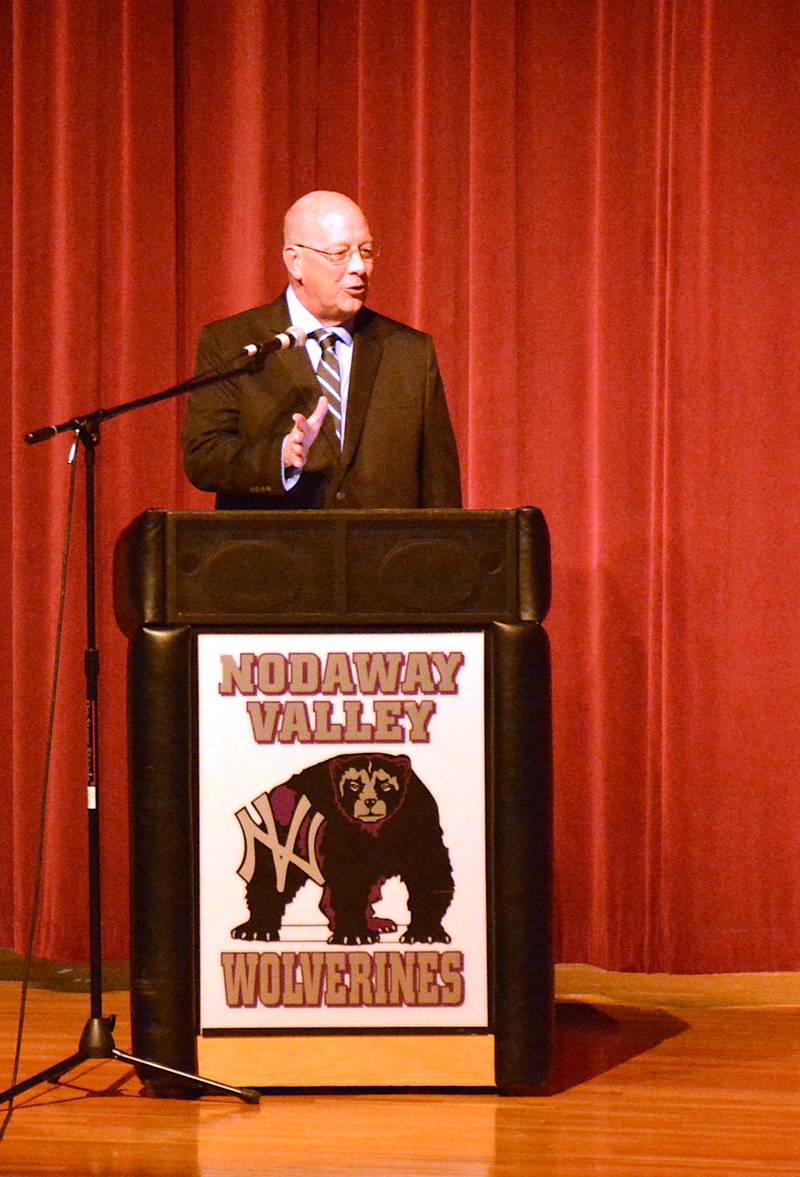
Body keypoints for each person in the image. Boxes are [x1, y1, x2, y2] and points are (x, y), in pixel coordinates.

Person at [181, 190, 462, 510]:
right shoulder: (233, 342)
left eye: (366, 251)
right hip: (275, 554)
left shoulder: (410, 352)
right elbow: (204, 457)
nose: (359, 267)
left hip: (384, 555)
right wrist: (281, 456)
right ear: (295, 260)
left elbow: (440, 486)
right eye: (339, 253)